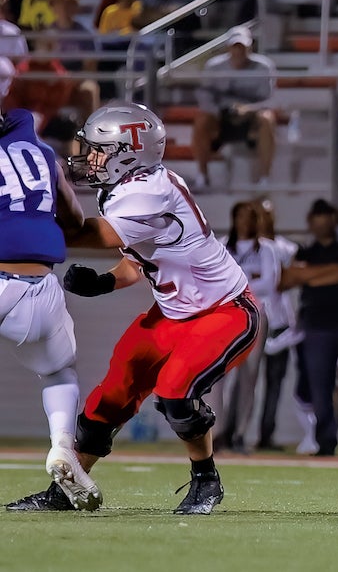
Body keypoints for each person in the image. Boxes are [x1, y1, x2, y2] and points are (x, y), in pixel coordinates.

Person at [8, 102, 264, 514]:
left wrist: (39, 190)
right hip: (172, 313)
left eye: (98, 149)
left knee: (176, 392)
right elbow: (140, 256)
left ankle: (206, 481)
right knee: (108, 398)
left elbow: (82, 234)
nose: (89, 157)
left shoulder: (148, 191)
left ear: (128, 151)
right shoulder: (133, 187)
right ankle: (66, 491)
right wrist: (106, 281)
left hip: (224, 311)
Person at [1, 78, 102, 512]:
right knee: (60, 374)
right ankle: (62, 446)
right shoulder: (42, 153)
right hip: (44, 286)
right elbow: (75, 216)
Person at [281, 199, 338, 458]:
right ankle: (325, 442)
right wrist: (336, 271)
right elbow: (288, 279)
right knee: (320, 387)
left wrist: (310, 276)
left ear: (335, 220)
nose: (322, 223)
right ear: (311, 222)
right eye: (317, 218)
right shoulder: (303, 251)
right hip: (316, 326)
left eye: (327, 218)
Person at [210, 201, 278, 452]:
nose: (245, 222)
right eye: (240, 216)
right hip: (227, 316)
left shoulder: (267, 250)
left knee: (249, 377)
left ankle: (240, 433)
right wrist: (250, 281)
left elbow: (269, 284)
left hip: (255, 315)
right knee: (220, 376)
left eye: (250, 217)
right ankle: (219, 431)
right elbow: (215, 280)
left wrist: (236, 283)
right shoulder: (222, 244)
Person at [192, 26, 277, 189]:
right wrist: (216, 113)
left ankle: (265, 177)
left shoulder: (264, 66)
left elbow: (269, 99)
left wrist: (249, 109)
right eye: (235, 47)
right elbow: (205, 96)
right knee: (202, 120)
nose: (238, 52)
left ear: (250, 47)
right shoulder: (213, 66)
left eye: (242, 47)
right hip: (222, 116)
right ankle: (202, 175)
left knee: (267, 119)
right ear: (228, 47)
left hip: (252, 115)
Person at [254, 198, 300, 451]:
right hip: (249, 320)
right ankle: (231, 433)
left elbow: (289, 278)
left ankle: (266, 435)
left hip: (279, 321)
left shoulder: (284, 247)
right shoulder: (244, 247)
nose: (264, 220)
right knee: (241, 383)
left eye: (268, 215)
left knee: (274, 383)